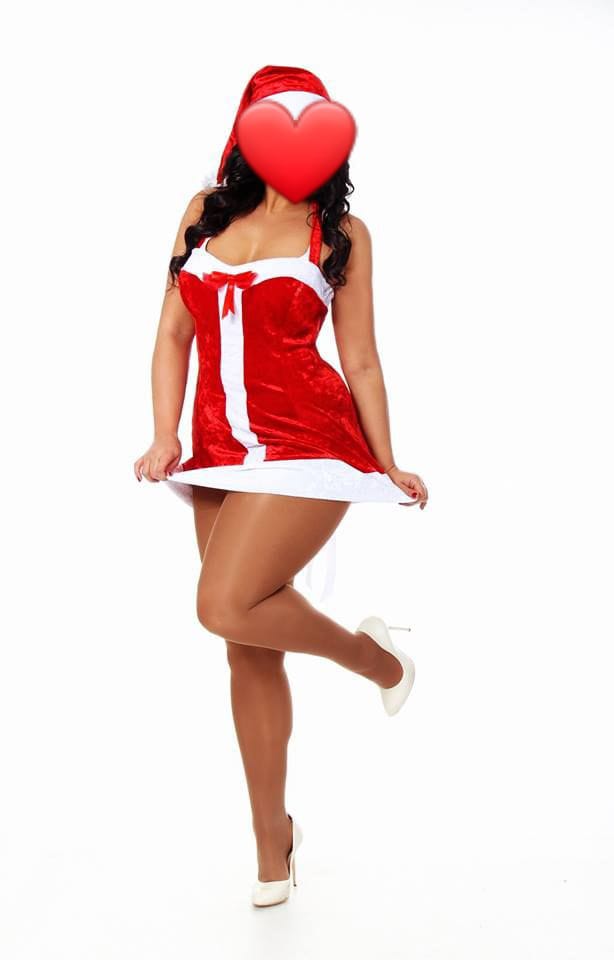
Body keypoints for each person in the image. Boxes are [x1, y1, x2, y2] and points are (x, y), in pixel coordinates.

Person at [133, 64, 429, 908]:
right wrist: (166, 434)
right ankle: (274, 840)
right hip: (219, 450)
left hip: (310, 442)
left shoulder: (341, 233)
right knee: (245, 642)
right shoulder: (203, 213)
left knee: (222, 603)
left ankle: (377, 661)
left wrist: (389, 458)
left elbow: (360, 358)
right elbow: (172, 333)